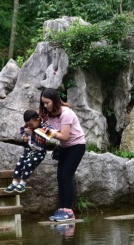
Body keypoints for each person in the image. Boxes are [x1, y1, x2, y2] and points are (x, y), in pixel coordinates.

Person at [39, 88, 86, 222]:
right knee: (60, 177)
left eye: (47, 103)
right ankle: (62, 209)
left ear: (54, 101)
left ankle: (68, 211)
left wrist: (50, 132)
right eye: (43, 103)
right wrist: (37, 130)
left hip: (76, 146)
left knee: (67, 176)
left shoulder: (66, 113)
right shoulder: (48, 114)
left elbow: (64, 136)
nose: (45, 106)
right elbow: (48, 133)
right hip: (65, 147)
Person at [5, 110, 51, 193]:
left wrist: (33, 133)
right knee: (20, 163)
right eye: (28, 125)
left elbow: (49, 134)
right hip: (29, 150)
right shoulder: (28, 124)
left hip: (39, 152)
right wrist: (24, 137)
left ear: (37, 120)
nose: (30, 126)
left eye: (31, 125)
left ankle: (22, 183)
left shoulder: (44, 124)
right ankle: (14, 182)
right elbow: (22, 130)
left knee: (28, 163)